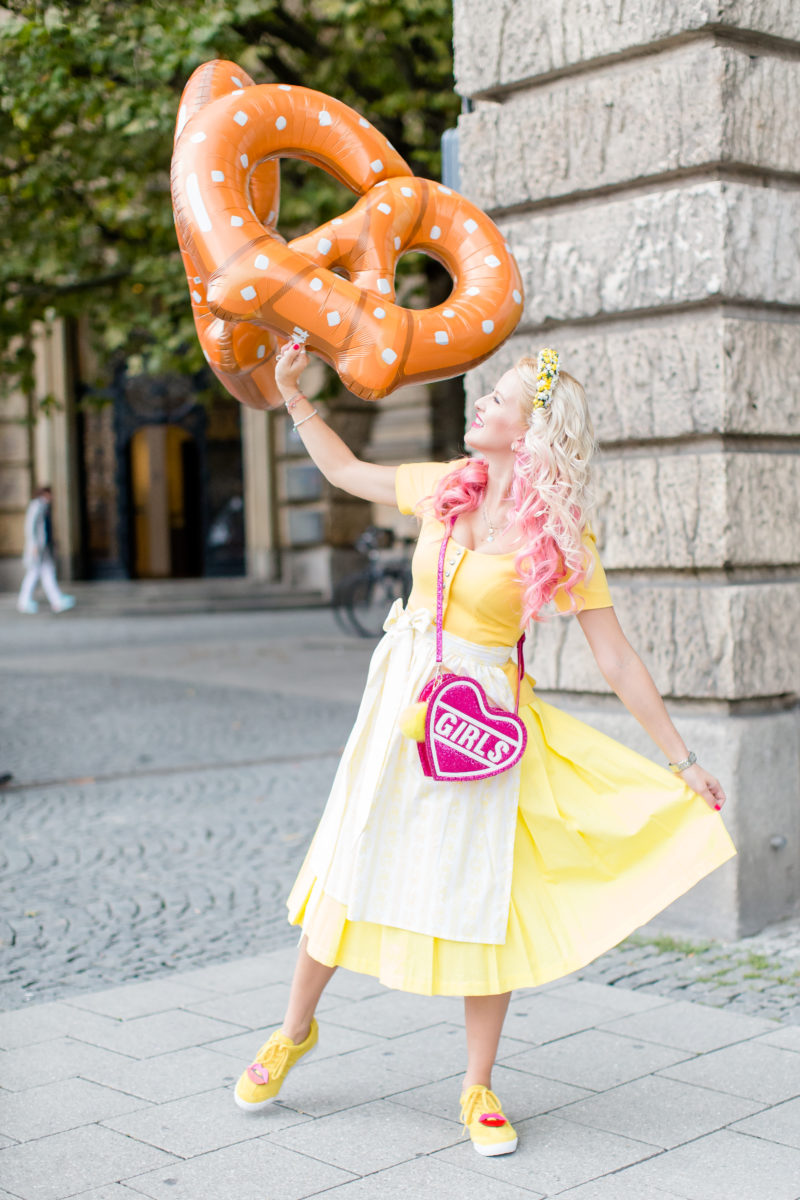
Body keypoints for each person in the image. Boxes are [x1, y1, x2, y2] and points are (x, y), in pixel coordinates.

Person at [234, 342, 736, 1156]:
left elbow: (616, 657)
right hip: (404, 697)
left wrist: (683, 759)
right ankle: (291, 1032)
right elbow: (347, 472)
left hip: (483, 722)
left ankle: (477, 1085)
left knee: (482, 890)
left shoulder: (560, 539)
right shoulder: (443, 484)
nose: (479, 405)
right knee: (352, 858)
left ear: (531, 431)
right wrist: (294, 396)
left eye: (497, 400)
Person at [17, 485, 75, 615]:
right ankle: (25, 601)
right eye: (50, 494)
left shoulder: (43, 507)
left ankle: (56, 600)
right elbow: (30, 527)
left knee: (47, 573)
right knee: (34, 574)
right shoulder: (37, 506)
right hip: (38, 549)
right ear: (45, 494)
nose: (52, 497)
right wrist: (34, 546)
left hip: (44, 548)